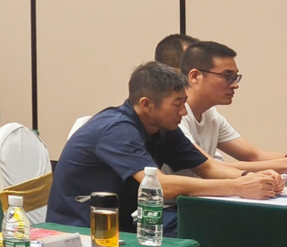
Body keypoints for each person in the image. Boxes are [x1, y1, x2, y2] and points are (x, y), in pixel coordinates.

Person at [50, 62, 281, 236]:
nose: (183, 112)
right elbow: (161, 185)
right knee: (210, 233)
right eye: (177, 104)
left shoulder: (164, 127)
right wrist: (237, 187)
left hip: (127, 223)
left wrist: (255, 178)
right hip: (81, 231)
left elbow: (208, 168)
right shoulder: (116, 129)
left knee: (224, 228)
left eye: (184, 102)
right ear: (146, 104)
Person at [179, 41, 287, 172]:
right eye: (228, 77)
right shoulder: (175, 115)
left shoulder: (211, 114)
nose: (235, 85)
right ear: (195, 76)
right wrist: (282, 164)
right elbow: (208, 166)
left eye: (235, 77)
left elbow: (254, 156)